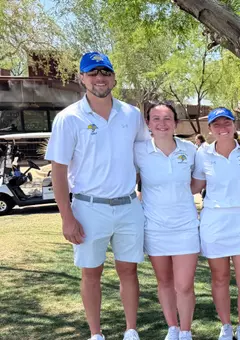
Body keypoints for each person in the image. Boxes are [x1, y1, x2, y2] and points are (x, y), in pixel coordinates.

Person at [45, 52, 149, 340]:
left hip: (129, 206)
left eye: (104, 72)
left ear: (114, 77)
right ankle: (96, 334)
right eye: (92, 73)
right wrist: (67, 217)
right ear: (82, 78)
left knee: (128, 271)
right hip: (89, 209)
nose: (99, 78)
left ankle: (131, 331)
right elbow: (59, 172)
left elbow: (143, 158)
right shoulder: (69, 119)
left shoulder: (132, 114)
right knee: (91, 273)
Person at [134, 102, 199, 340]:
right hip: (154, 227)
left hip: (186, 227)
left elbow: (198, 181)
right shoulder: (138, 150)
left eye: (167, 118)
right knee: (164, 281)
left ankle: (186, 331)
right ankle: (172, 327)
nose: (162, 123)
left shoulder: (190, 150)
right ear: (148, 124)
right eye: (156, 118)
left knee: (184, 285)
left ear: (176, 123)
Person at [191, 107, 240, 340]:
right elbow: (195, 186)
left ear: (234, 126)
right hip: (214, 222)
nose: (222, 128)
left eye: (226, 123)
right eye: (216, 125)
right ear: (209, 129)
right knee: (219, 278)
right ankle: (226, 325)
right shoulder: (202, 154)